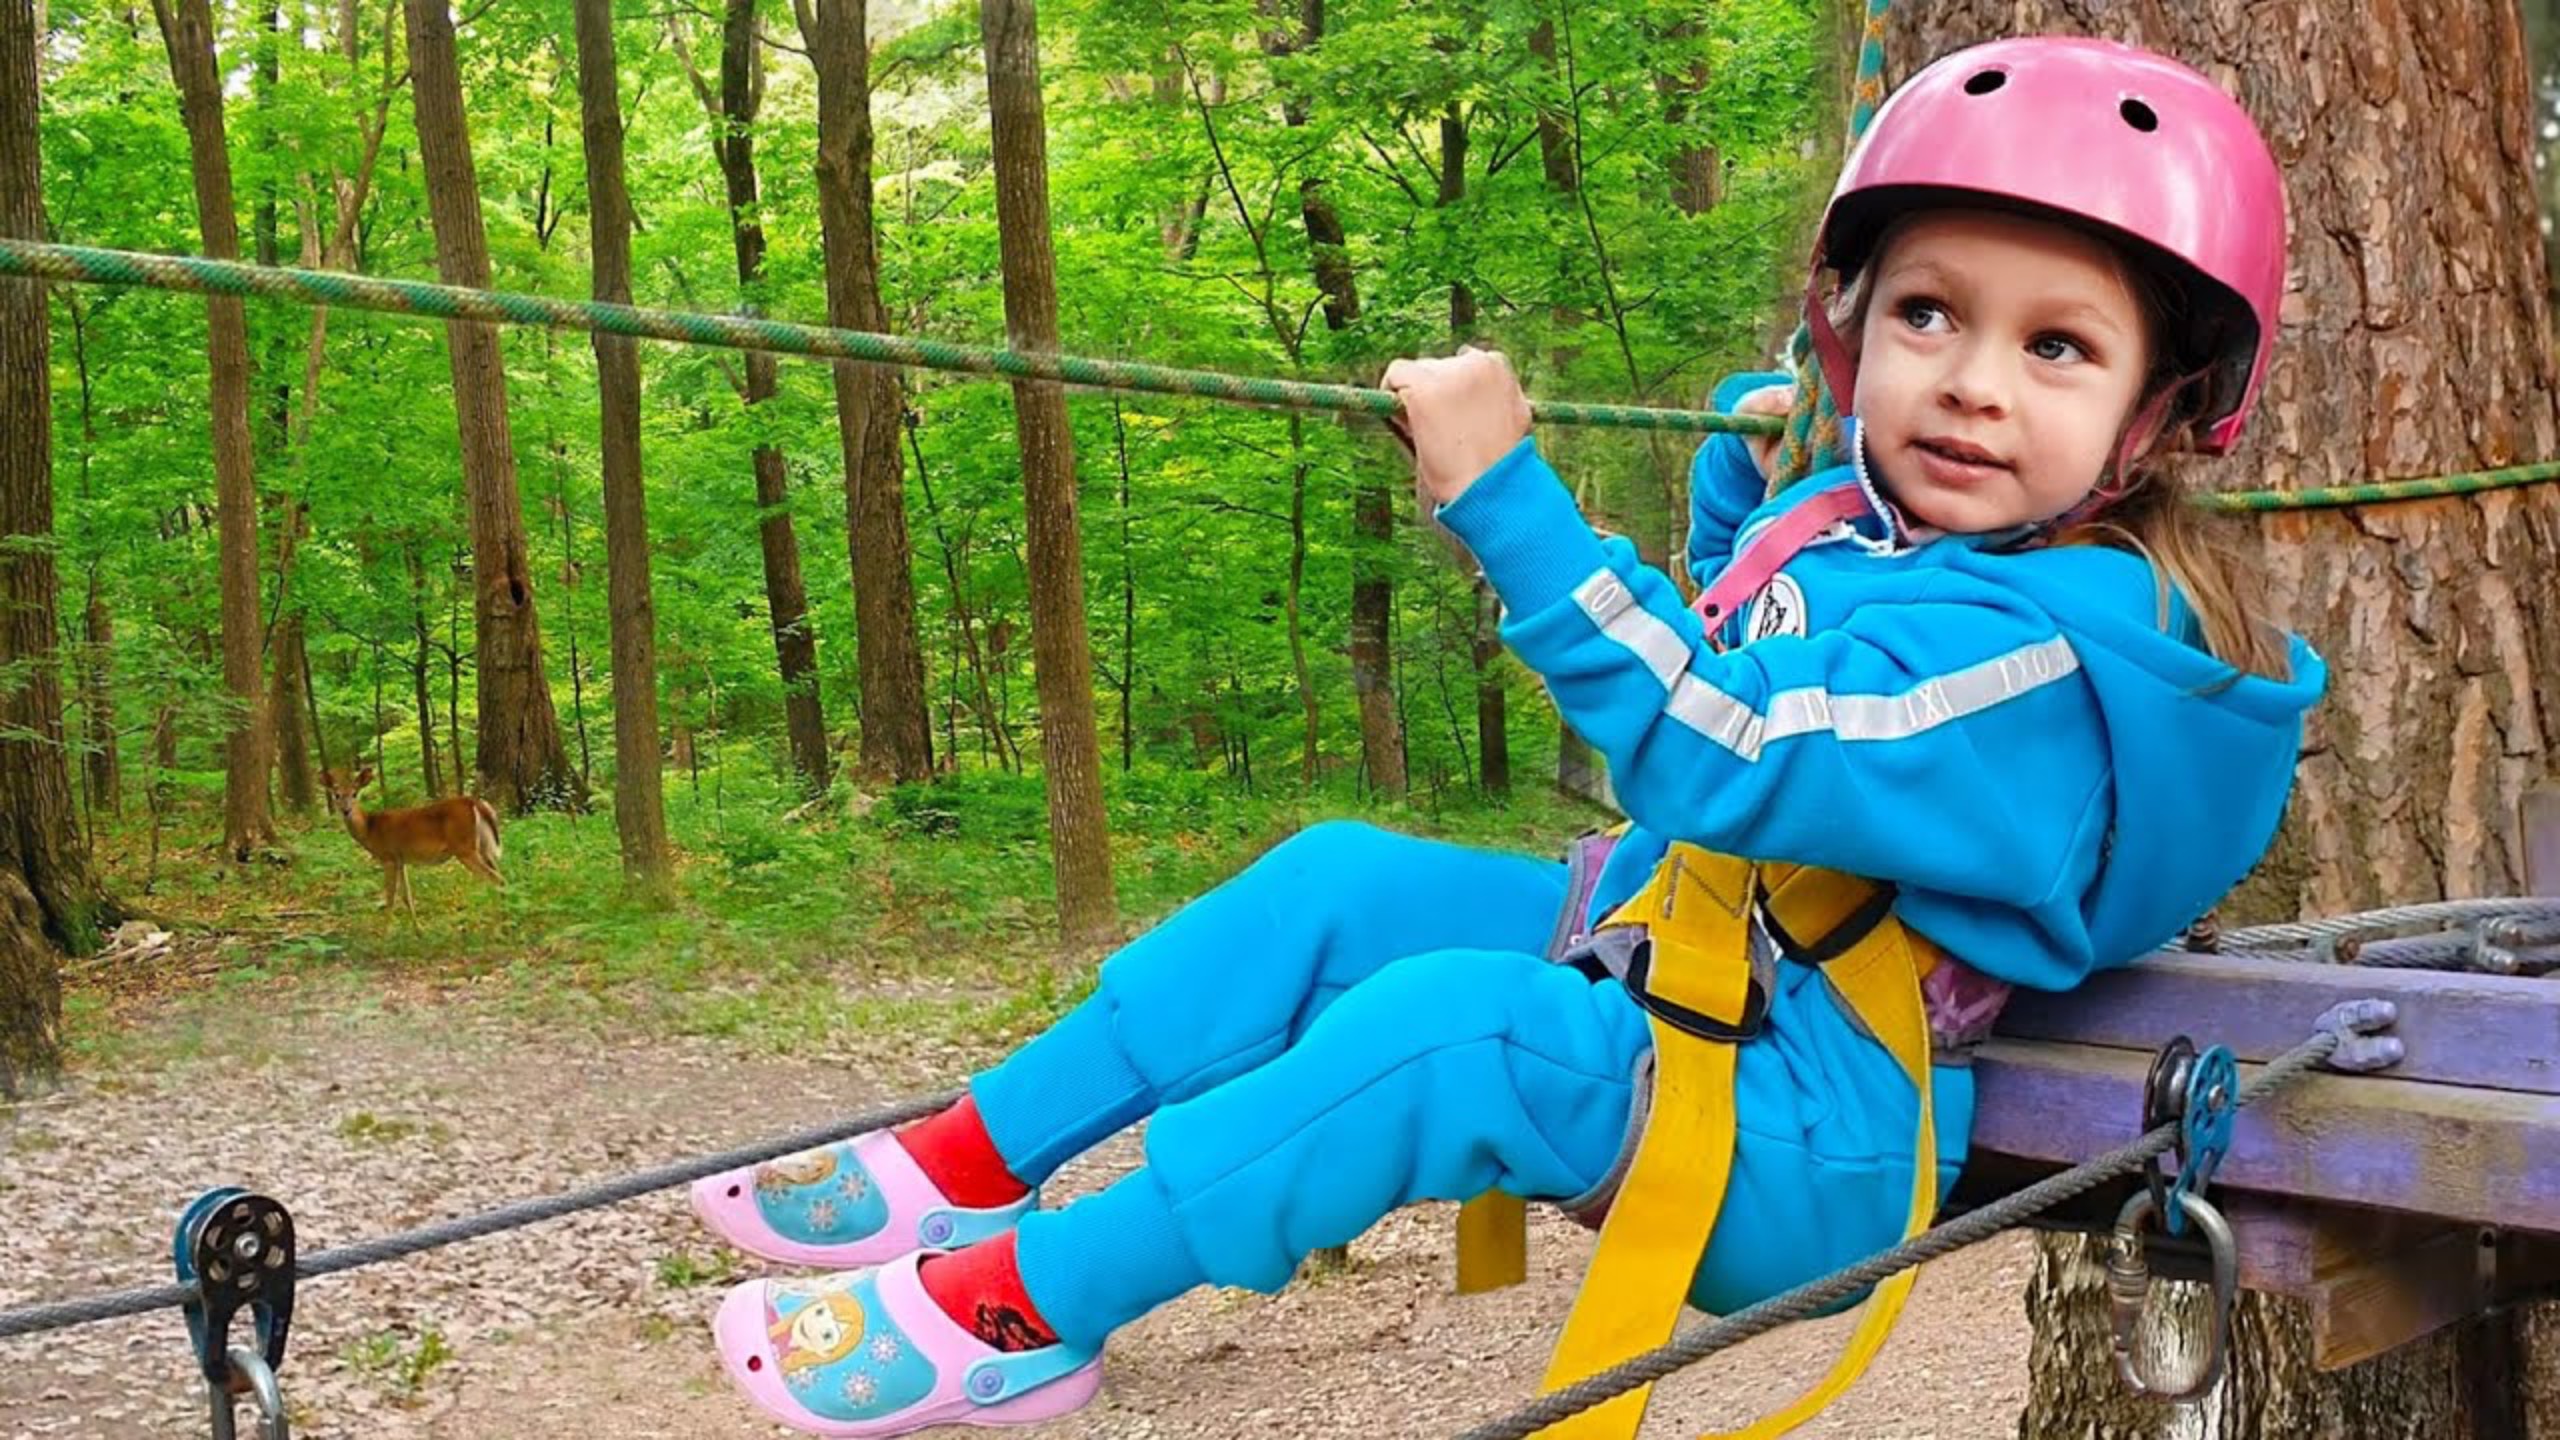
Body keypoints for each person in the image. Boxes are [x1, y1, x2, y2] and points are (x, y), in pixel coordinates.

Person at [694, 35, 2326, 1437]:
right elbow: (1770, 651)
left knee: (1451, 1031)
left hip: (1811, 1127)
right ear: (1852, 334)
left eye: (2056, 346)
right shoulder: (1916, 543)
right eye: (1927, 315)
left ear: (2163, 415)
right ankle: (973, 1158)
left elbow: (1733, 745)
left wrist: (1508, 504)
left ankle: (1021, 1313)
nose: (1973, 383)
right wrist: (1746, 499)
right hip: (1696, 966)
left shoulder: (2041, 657)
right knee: (1338, 885)